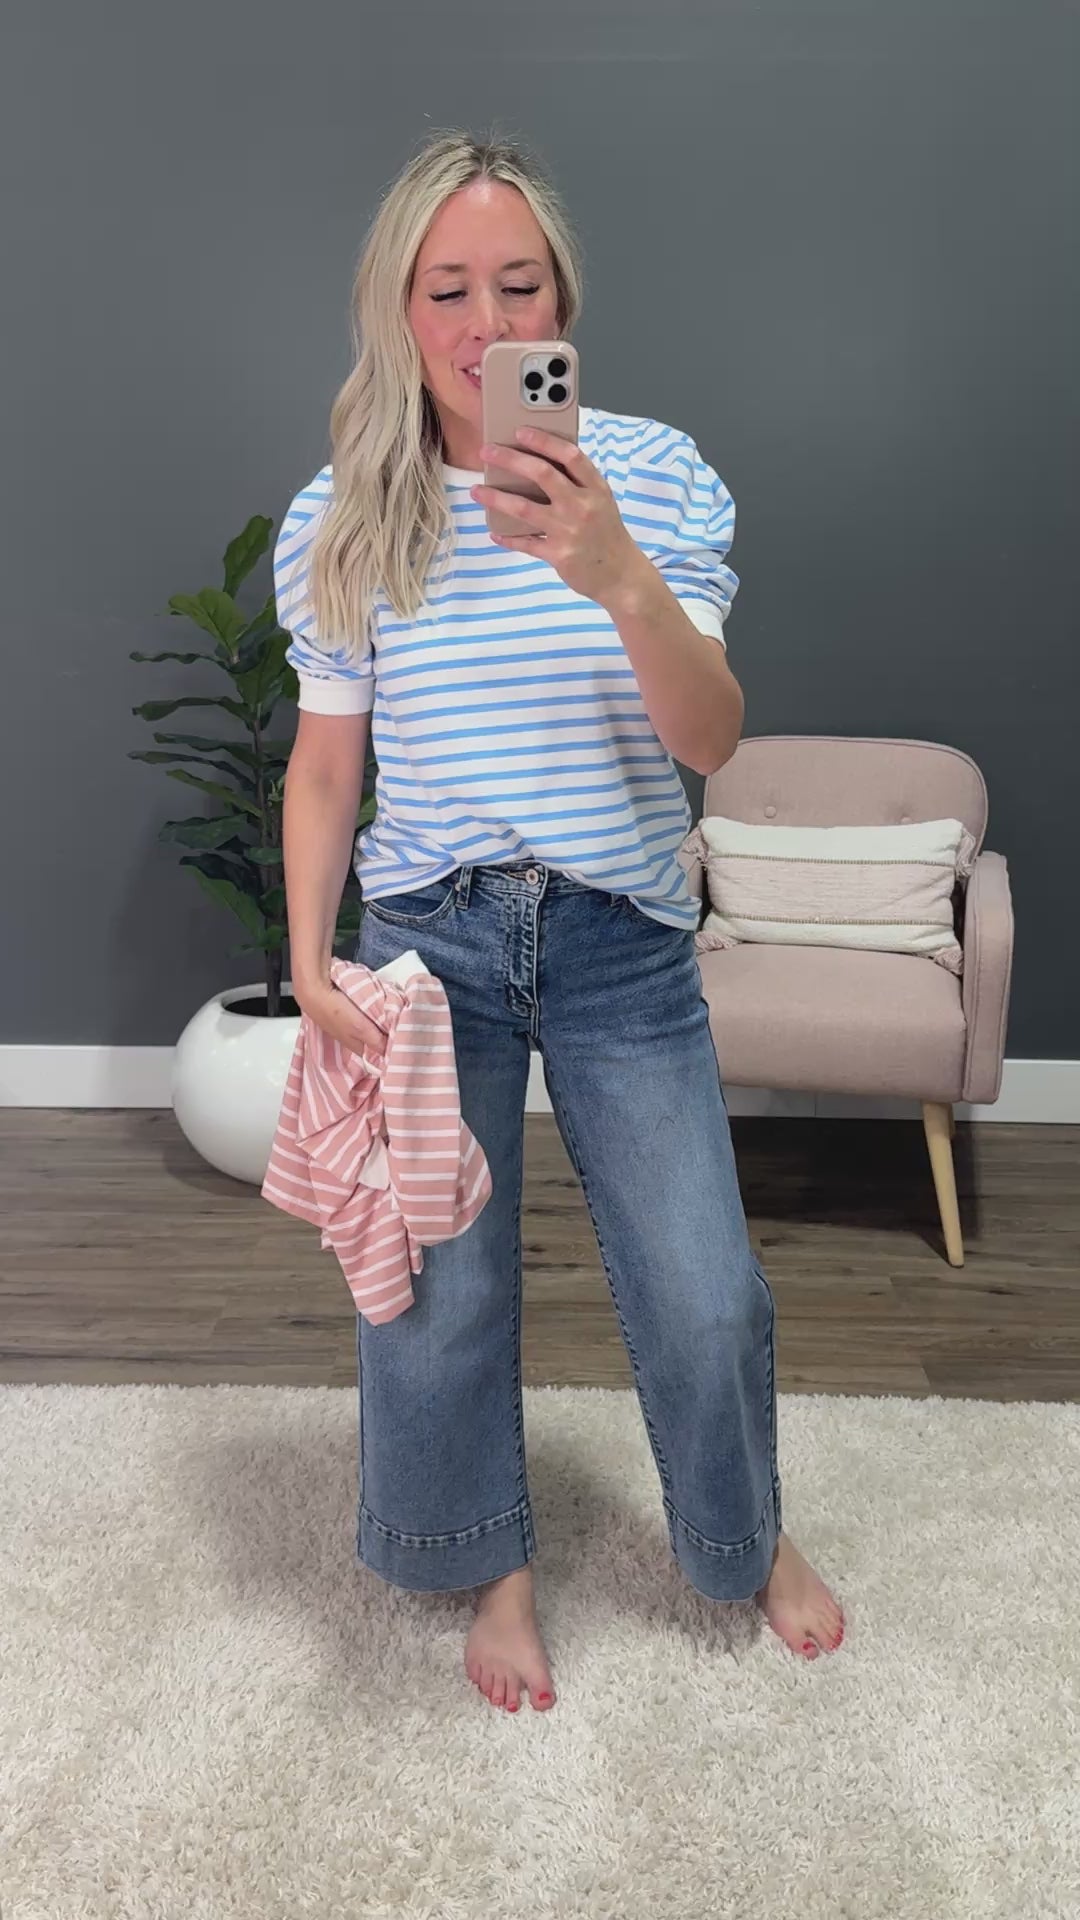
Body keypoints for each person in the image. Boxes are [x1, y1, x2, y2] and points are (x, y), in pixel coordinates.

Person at [277, 129, 844, 1715]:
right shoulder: (347, 509)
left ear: (563, 304)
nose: (484, 324)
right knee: (440, 1292)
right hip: (430, 941)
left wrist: (617, 573)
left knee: (705, 1293)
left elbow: (709, 737)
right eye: (447, 289)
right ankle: (492, 1566)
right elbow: (325, 767)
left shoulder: (653, 476)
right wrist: (306, 956)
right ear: (398, 311)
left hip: (619, 940)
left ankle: (743, 1540)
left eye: (516, 285)